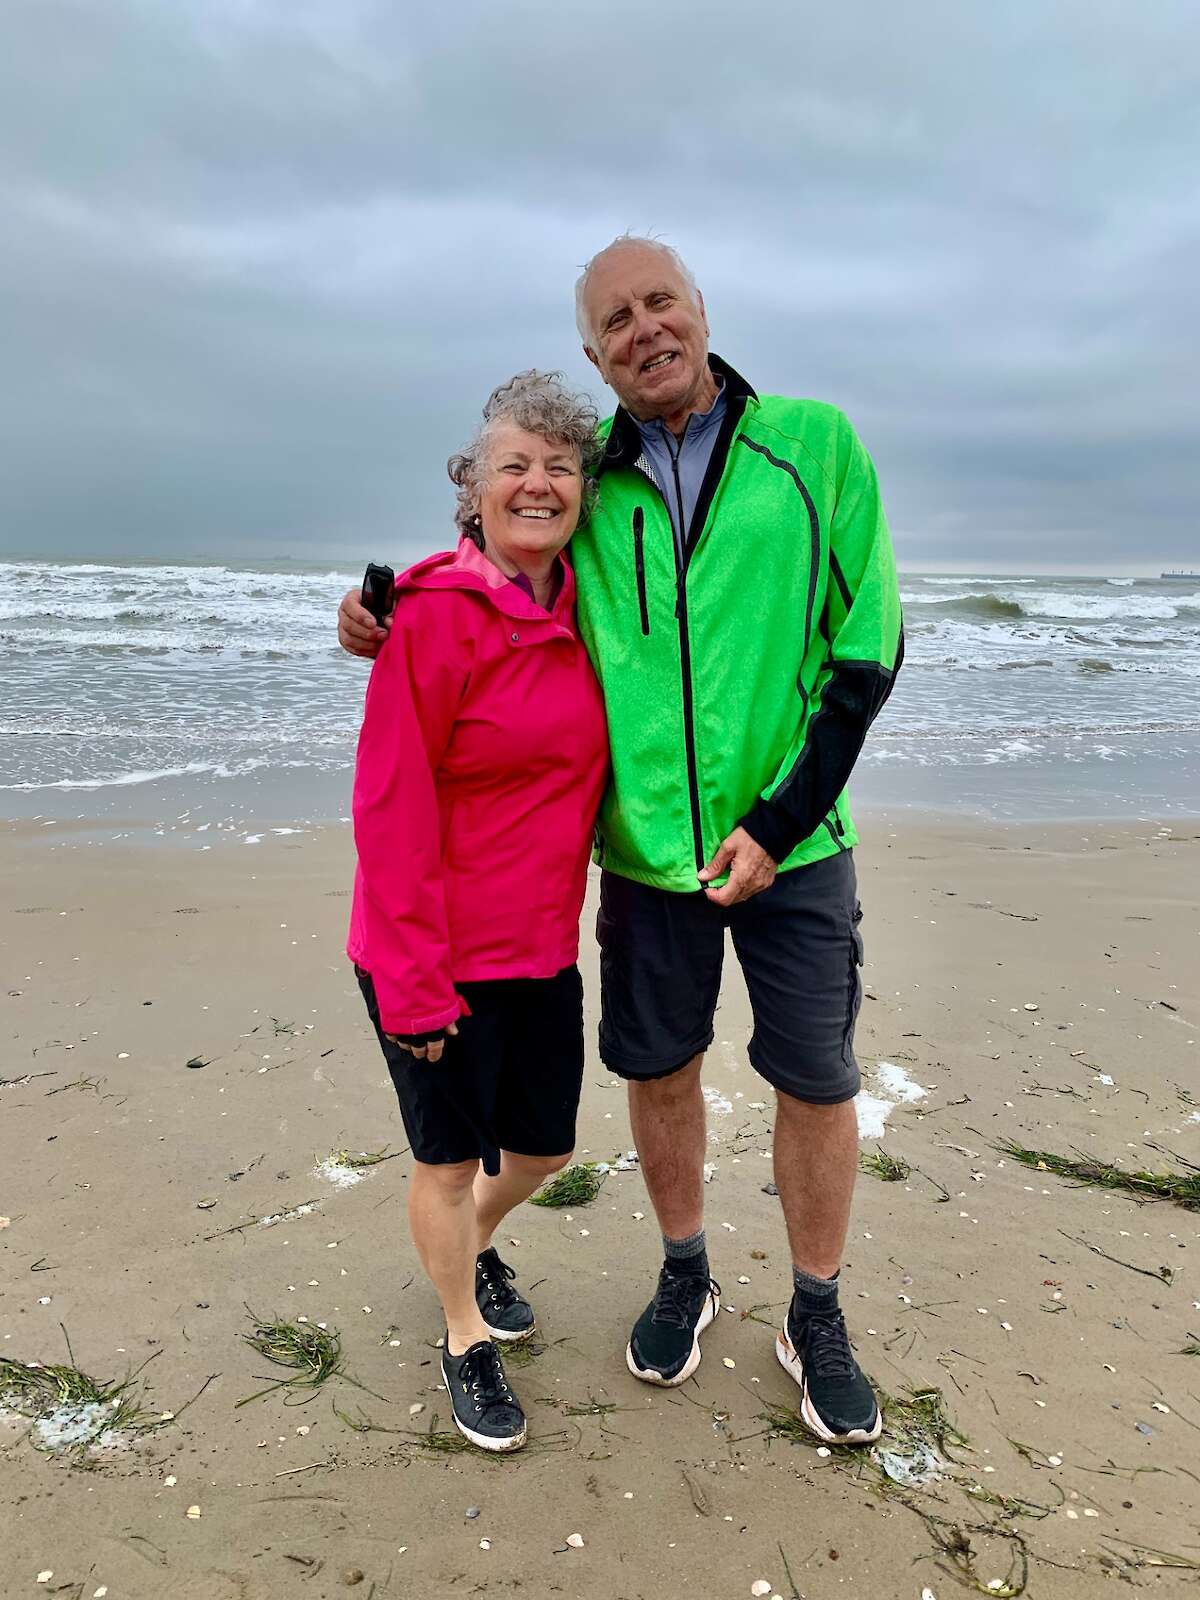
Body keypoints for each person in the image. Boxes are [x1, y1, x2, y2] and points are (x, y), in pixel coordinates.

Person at [339, 238, 903, 1446]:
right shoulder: (600, 479)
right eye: (616, 320)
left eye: (662, 303)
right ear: (597, 353)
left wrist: (778, 821)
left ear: (700, 310)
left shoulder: (814, 445)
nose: (645, 328)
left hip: (795, 847)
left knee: (816, 1078)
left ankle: (817, 1309)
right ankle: (685, 1268)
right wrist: (384, 611)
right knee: (658, 1069)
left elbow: (868, 652)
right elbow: (496, 566)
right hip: (647, 862)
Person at [348, 371, 608, 1452]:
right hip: (433, 952)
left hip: (541, 943)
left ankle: (477, 1242)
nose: (538, 483)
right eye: (514, 465)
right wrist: (413, 981)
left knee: (544, 1149)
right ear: (474, 493)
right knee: (448, 1162)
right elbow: (391, 807)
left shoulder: (597, 609)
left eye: (559, 466)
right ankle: (463, 1335)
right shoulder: (437, 619)